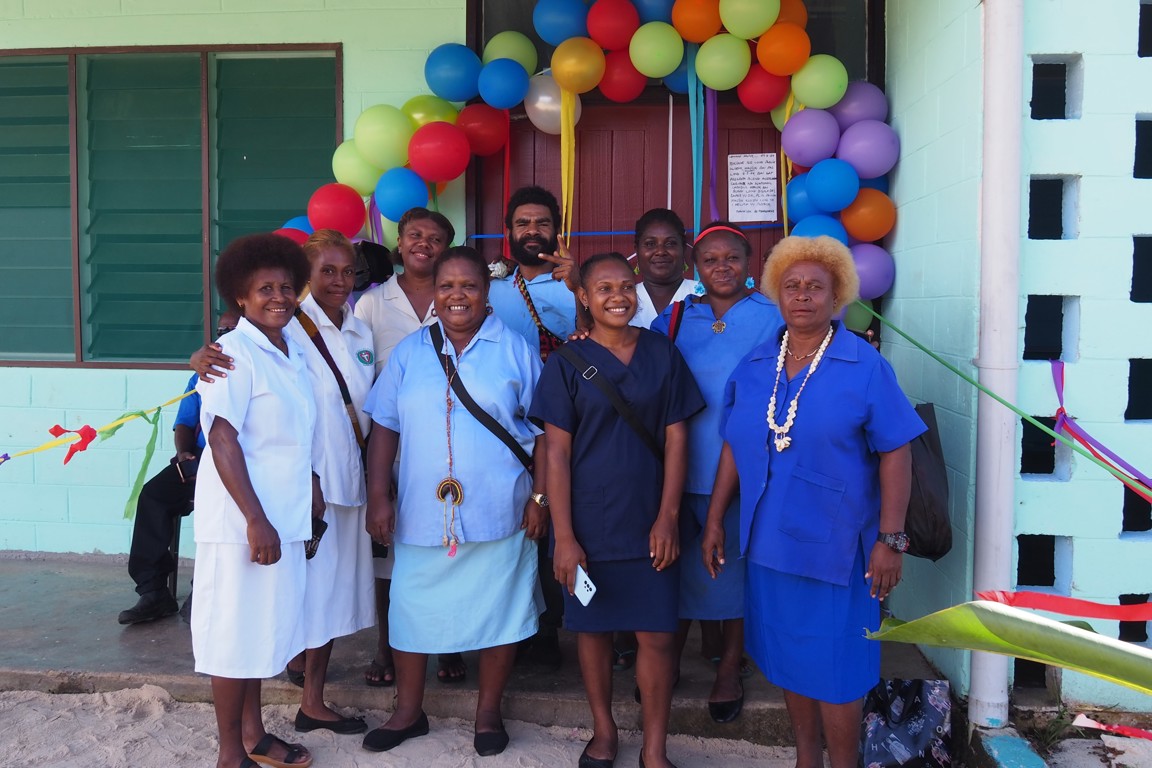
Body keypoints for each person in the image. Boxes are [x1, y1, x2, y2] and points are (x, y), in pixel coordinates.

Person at [702, 235, 925, 768]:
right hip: (769, 544)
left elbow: (897, 451)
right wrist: (714, 520)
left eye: (816, 287)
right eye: (792, 286)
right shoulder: (756, 365)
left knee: (839, 665)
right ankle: (807, 759)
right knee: (787, 659)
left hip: (839, 549)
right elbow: (734, 444)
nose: (803, 296)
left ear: (837, 296)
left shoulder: (863, 364)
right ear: (778, 293)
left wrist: (890, 540)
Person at [360, 246, 546, 757]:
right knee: (409, 612)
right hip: (423, 513)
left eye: (468, 286)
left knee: (500, 613)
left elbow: (545, 434)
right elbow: (384, 426)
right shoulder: (409, 353)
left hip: (499, 510)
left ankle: (488, 714)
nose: (457, 295)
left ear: (487, 294)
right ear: (434, 296)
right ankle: (407, 711)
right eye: (446, 287)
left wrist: (540, 497)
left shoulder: (515, 351)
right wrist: (379, 495)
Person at [530, 252, 704, 768]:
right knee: (594, 630)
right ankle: (603, 732)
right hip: (590, 521)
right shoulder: (565, 363)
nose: (617, 296)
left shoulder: (661, 353)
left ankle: (655, 749)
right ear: (582, 296)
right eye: (603, 288)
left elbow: (677, 439)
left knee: (656, 635)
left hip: (651, 517)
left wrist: (668, 517)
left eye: (626, 286)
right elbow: (555, 454)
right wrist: (564, 536)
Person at [650, 221, 783, 724]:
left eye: (732, 258)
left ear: (750, 264)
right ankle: (666, 667)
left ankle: (730, 667)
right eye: (710, 260)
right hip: (681, 469)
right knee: (677, 568)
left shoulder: (773, 315)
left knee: (735, 569)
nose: (721, 267)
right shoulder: (678, 316)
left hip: (749, 471)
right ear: (695, 267)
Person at [192, 232, 315, 768]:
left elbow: (293, 436)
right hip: (243, 522)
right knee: (233, 636)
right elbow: (222, 437)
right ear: (239, 298)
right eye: (264, 288)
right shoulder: (233, 355)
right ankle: (229, 754)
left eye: (287, 287)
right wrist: (256, 519)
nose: (279, 296)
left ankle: (253, 734)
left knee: (259, 633)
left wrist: (310, 494)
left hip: (278, 516)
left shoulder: (287, 349)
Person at [352, 207, 468, 687]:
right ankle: (387, 646)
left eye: (435, 237)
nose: (424, 243)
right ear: (399, 244)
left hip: (450, 447)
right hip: (390, 447)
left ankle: (449, 644)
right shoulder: (372, 305)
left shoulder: (461, 299)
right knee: (388, 551)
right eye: (415, 235)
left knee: (449, 544)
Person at [281, 229, 377, 735]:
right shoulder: (290, 332)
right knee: (311, 595)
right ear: (306, 276)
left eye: (347, 272)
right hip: (311, 489)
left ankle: (310, 693)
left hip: (352, 484)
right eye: (328, 272)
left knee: (332, 595)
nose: (340, 281)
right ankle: (310, 701)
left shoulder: (361, 332)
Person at [487, 185, 577, 669]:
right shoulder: (491, 289)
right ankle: (518, 628)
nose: (532, 231)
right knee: (519, 524)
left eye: (541, 223)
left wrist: (579, 286)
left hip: (571, 426)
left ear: (555, 230)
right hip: (508, 431)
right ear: (509, 232)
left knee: (566, 522)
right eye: (522, 223)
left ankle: (564, 631)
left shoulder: (576, 283)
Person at [118, 309, 235, 626]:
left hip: (239, 467)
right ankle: (153, 592)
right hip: (201, 460)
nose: (224, 338)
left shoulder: (259, 370)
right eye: (221, 331)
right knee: (153, 495)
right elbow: (184, 422)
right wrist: (184, 454)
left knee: (223, 509)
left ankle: (207, 590)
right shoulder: (201, 374)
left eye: (232, 330)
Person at [629, 208, 699, 330]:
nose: (660, 251)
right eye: (650, 244)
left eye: (670, 243)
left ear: (683, 248)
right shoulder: (623, 299)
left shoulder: (705, 294)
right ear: (637, 249)